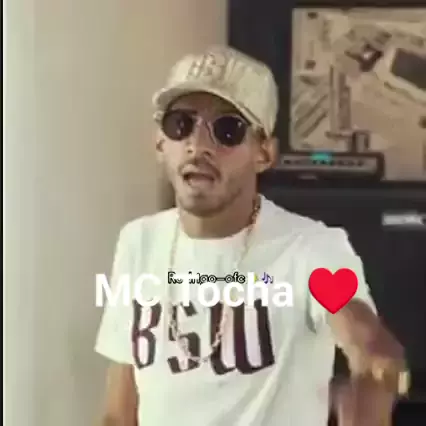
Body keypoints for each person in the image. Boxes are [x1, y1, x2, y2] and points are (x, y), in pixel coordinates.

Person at [94, 45, 407, 426]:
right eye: (181, 124)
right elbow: (118, 413)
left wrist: (370, 362)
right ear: (160, 143)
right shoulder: (139, 243)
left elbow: (363, 337)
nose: (198, 145)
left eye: (227, 130)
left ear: (264, 154)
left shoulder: (310, 250)